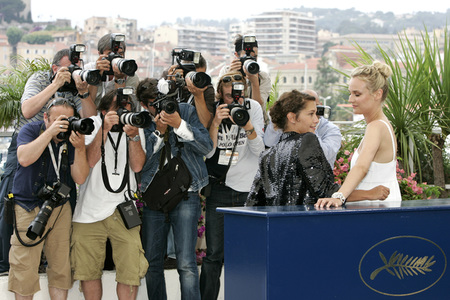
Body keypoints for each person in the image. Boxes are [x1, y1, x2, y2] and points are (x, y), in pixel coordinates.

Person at [0, 48, 96, 275]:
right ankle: (4, 264)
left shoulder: (75, 86)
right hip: (30, 140)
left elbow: (90, 119)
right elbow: (26, 110)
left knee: (64, 193)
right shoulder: (40, 78)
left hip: (61, 146)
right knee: (11, 195)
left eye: (76, 68)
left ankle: (50, 259)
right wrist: (55, 84)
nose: (73, 73)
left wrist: (83, 92)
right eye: (68, 69)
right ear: (55, 68)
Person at [136, 77, 213, 300]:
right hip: (154, 196)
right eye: (153, 103)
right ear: (143, 104)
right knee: (152, 262)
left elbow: (206, 147)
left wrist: (179, 124)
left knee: (186, 263)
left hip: (186, 193)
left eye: (163, 100)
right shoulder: (142, 121)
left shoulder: (186, 111)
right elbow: (141, 164)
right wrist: (159, 132)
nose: (160, 106)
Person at [246, 90, 390, 207]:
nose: (316, 120)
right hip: (308, 228)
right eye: (311, 114)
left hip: (279, 231)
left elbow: (253, 202)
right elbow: (326, 191)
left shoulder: (267, 156)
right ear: (292, 117)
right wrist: (371, 193)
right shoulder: (307, 141)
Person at [8, 98, 89, 299]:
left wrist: (79, 149)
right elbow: (24, 158)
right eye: (58, 120)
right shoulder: (30, 130)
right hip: (27, 206)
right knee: (24, 269)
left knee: (61, 268)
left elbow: (79, 177)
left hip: (59, 207)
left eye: (68, 120)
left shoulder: (72, 137)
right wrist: (50, 133)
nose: (63, 125)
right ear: (46, 117)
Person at [70, 89, 148, 300]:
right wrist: (103, 129)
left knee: (131, 271)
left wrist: (133, 137)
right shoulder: (91, 125)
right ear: (103, 111)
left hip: (123, 210)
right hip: (89, 212)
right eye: (118, 107)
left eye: (127, 108)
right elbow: (89, 162)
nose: (124, 112)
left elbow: (138, 165)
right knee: (88, 272)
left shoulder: (134, 128)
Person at [199, 71, 265, 300]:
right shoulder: (213, 110)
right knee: (214, 255)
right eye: (228, 96)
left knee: (247, 255)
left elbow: (260, 151)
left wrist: (247, 124)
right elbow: (207, 152)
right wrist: (215, 122)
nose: (234, 100)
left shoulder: (252, 107)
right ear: (220, 94)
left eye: (237, 95)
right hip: (219, 190)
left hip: (247, 191)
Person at [315, 61, 401, 208]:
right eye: (350, 93)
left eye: (357, 94)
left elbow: (362, 167)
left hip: (378, 206)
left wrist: (338, 197)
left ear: (377, 94)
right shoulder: (379, 124)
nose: (350, 99)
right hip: (377, 204)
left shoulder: (376, 126)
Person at [264, 89, 342, 168]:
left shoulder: (331, 129)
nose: (315, 117)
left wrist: (310, 130)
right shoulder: (288, 126)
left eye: (316, 108)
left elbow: (324, 155)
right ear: (294, 115)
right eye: (310, 113)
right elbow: (269, 143)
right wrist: (278, 121)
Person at [218, 34, 271, 123]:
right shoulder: (226, 72)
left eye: (254, 57)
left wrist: (254, 83)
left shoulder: (262, 77)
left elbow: (258, 109)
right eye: (246, 57)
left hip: (255, 123)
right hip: (231, 122)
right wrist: (231, 75)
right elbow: (218, 100)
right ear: (236, 55)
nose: (250, 60)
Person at [86, 33, 140, 106]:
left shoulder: (130, 75)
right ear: (100, 54)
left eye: (120, 54)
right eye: (110, 54)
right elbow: (87, 104)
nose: (116, 57)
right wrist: (96, 76)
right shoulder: (89, 69)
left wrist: (120, 79)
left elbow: (127, 107)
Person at [163, 54, 216, 128]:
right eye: (193, 75)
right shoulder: (171, 79)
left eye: (200, 76)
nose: (197, 80)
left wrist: (198, 96)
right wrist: (169, 86)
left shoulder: (206, 88)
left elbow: (205, 124)